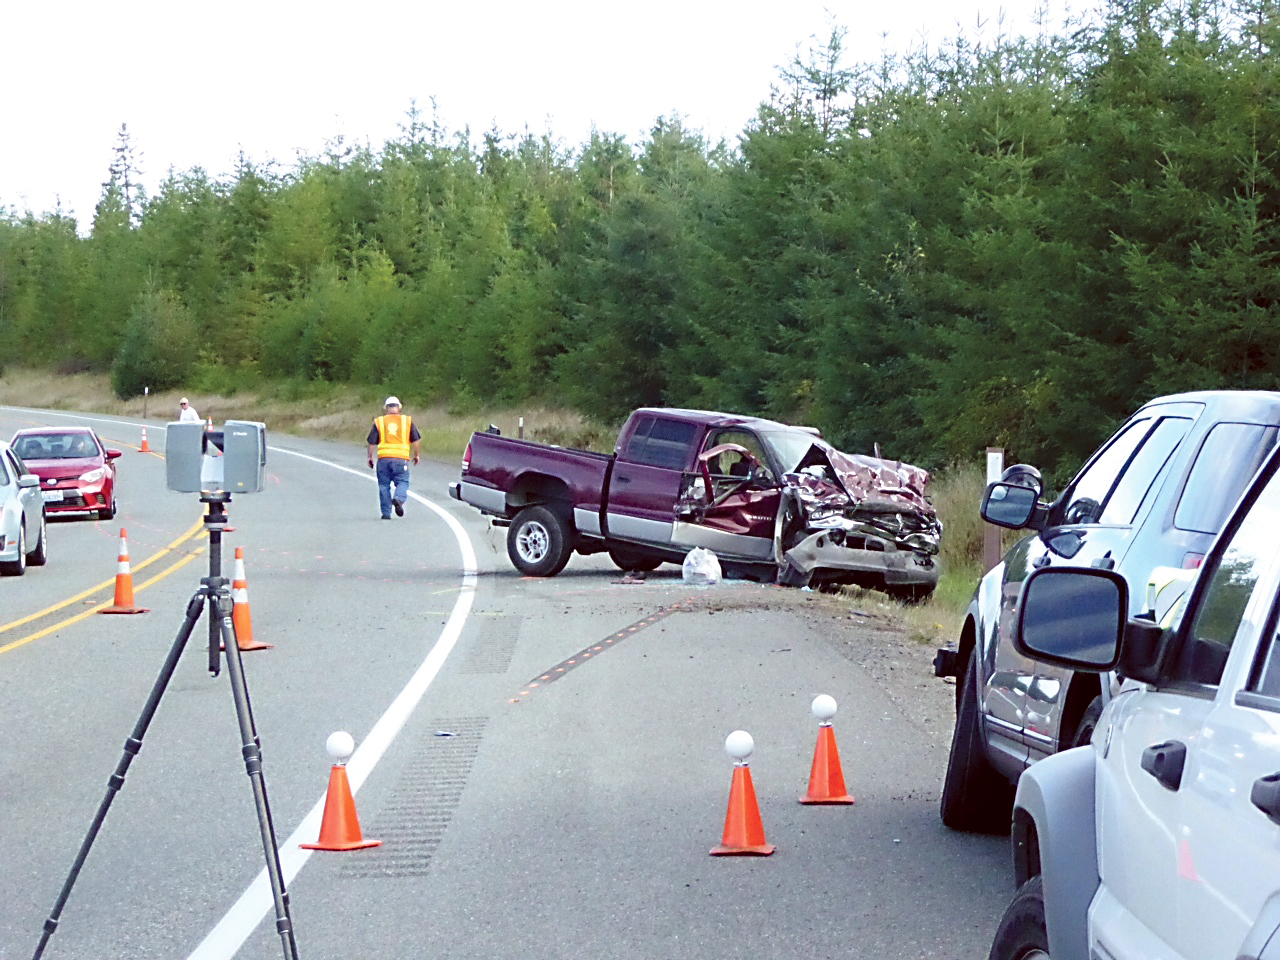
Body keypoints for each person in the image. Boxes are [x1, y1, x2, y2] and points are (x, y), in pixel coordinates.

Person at [367, 396, 421, 519]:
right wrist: (416, 455)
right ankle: (398, 499)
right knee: (402, 481)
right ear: (399, 407)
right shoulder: (407, 421)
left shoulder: (379, 422)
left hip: (384, 459)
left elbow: (371, 442)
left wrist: (370, 457)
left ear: (386, 408)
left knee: (384, 486)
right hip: (401, 459)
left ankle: (386, 514)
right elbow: (416, 440)